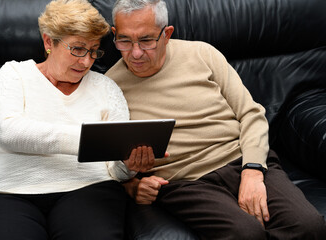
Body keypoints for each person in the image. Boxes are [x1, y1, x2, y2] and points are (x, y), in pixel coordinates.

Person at [105, 0, 326, 239]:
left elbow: (251, 114)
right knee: (246, 234)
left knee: (309, 226)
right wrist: (132, 186)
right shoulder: (108, 87)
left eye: (147, 40)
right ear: (114, 34)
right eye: (125, 40)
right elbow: (104, 158)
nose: (135, 53)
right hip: (185, 182)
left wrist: (252, 171)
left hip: (242, 159)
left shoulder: (202, 53)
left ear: (166, 34)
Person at [0, 0, 155, 239]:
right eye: (77, 49)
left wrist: (129, 166)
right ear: (49, 42)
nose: (86, 62)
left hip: (88, 189)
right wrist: (93, 140)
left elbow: (114, 170)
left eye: (93, 50)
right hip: (8, 190)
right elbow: (9, 131)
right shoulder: (15, 73)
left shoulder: (106, 87)